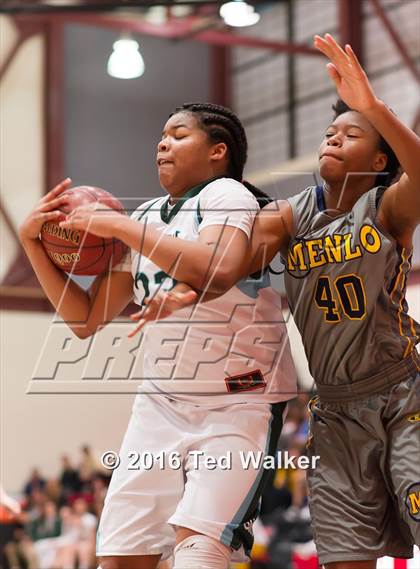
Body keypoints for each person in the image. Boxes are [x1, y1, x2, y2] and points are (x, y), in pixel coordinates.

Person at [139, 36, 420, 567]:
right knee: (344, 558)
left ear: (380, 157)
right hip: (335, 412)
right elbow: (230, 260)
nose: (333, 138)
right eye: (330, 131)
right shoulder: (293, 214)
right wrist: (184, 290)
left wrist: (373, 105)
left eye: (351, 133)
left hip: (404, 396)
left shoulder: (388, 207)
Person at [19, 103, 297, 569]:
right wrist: (32, 244)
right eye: (160, 137)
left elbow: (215, 268)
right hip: (160, 405)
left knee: (199, 551)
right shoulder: (148, 213)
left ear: (218, 151)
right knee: (122, 559)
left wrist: (122, 227)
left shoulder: (228, 195)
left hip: (238, 403)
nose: (162, 143)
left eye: (178, 134)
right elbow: (84, 320)